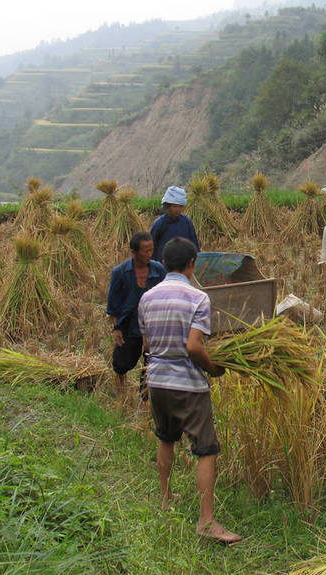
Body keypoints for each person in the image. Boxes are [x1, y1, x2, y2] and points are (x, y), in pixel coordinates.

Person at [137, 236, 241, 545]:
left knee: (166, 437)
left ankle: (165, 500)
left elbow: (146, 345)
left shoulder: (147, 298)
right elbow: (194, 346)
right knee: (206, 449)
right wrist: (213, 367)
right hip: (188, 385)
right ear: (191, 264)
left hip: (157, 381)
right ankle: (206, 521)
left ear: (164, 263)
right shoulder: (198, 298)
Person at [106, 231, 166, 399]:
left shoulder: (159, 270)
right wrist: (117, 328)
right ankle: (121, 393)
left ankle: (145, 397)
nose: (149, 254)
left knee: (151, 364)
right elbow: (113, 304)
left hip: (153, 327)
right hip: (129, 325)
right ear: (133, 252)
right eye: (145, 251)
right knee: (122, 363)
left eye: (151, 249)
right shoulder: (120, 273)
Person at [149, 186, 200, 263]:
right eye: (175, 206)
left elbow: (194, 245)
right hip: (163, 265)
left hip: (184, 265)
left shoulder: (187, 222)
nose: (178, 210)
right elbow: (151, 247)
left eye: (180, 206)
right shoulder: (159, 224)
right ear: (167, 206)